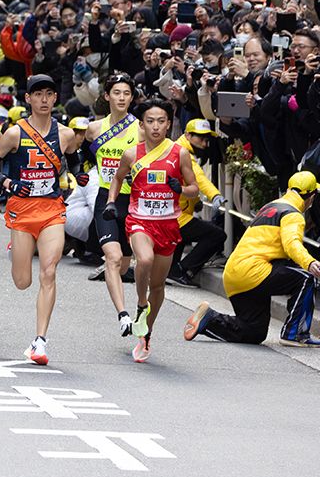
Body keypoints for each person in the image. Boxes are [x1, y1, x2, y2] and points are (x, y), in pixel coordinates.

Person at [0, 74, 87, 366]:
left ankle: (40, 340)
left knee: (49, 272)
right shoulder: (15, 133)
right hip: (22, 210)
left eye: (48, 94)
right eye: (37, 94)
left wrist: (78, 174)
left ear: (55, 98)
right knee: (22, 281)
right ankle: (18, 253)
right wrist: (8, 183)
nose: (43, 100)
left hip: (52, 209)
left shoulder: (65, 134)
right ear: (28, 99)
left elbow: (74, 158)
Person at [107, 97, 197, 362]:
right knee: (144, 259)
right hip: (139, 221)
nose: (155, 126)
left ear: (169, 124)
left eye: (161, 121)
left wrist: (181, 189)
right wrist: (111, 202)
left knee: (157, 286)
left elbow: (194, 189)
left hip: (168, 225)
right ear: (142, 125)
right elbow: (117, 178)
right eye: (150, 121)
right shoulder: (131, 154)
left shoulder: (179, 153)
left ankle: (146, 333)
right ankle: (140, 303)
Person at [185, 171, 320, 347]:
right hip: (254, 272)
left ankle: (209, 319)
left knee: (254, 331)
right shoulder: (293, 214)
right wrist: (310, 262)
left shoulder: (270, 207)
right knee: (306, 278)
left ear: (288, 189)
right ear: (311, 197)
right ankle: (295, 334)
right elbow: (291, 243)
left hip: (234, 274)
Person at [85, 73, 140, 336]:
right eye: (116, 92)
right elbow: (80, 152)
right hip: (106, 199)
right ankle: (123, 315)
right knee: (113, 257)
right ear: (107, 96)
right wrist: (80, 171)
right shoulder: (94, 129)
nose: (121, 98)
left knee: (124, 263)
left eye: (126, 93)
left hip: (134, 201)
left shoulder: (141, 129)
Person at [168, 119, 229, 287]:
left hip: (174, 213)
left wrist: (195, 202)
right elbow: (199, 178)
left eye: (206, 139)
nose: (204, 143)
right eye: (200, 138)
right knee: (217, 235)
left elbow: (189, 182)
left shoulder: (178, 149)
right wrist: (215, 195)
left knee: (181, 238)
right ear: (188, 135)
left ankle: (173, 271)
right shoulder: (183, 154)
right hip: (177, 216)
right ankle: (183, 270)